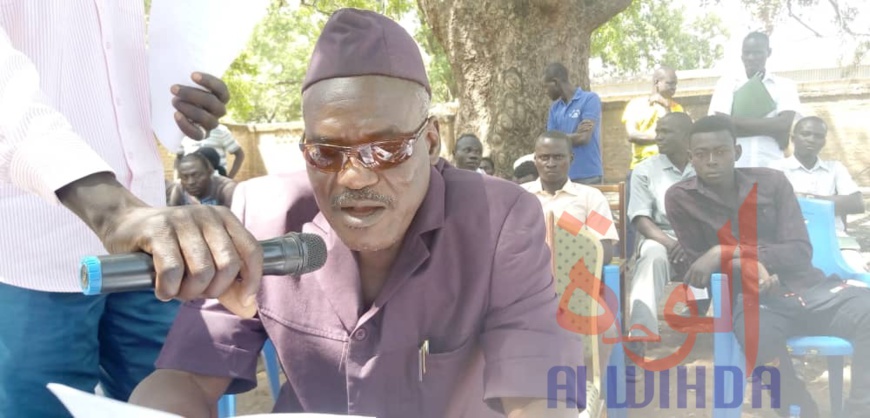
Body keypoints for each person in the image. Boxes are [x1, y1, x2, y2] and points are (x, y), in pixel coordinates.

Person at [130, 9, 582, 418]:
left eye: (386, 149)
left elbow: (540, 395)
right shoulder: (263, 217)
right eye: (326, 152)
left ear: (429, 141)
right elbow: (188, 376)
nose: (354, 178)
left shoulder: (498, 221)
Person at [0, 3, 263, 417]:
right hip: (32, 251)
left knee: (172, 399)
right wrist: (112, 211)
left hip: (150, 245)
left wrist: (177, 100)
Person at [665, 115, 870, 418]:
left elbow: (800, 251)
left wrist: (728, 251)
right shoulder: (682, 198)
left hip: (811, 290)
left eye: (720, 152)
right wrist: (746, 265)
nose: (711, 161)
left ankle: (858, 409)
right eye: (701, 154)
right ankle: (800, 411)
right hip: (752, 302)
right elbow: (701, 269)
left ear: (736, 152)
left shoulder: (772, 182)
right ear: (690, 157)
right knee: (757, 337)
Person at [624, 112, 695, 374]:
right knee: (651, 257)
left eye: (666, 132)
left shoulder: (703, 166)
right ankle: (639, 338)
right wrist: (669, 243)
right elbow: (640, 219)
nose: (658, 137)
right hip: (660, 238)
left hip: (700, 239)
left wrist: (693, 243)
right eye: (658, 131)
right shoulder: (646, 170)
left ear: (687, 137)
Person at [769, 116, 867, 272]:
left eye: (818, 136)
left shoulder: (835, 168)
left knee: (857, 272)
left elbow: (856, 203)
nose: (811, 139)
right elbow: (771, 207)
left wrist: (805, 199)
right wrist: (831, 203)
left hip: (836, 240)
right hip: (791, 240)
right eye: (806, 134)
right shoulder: (776, 169)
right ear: (793, 138)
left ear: (824, 142)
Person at [521, 131, 618, 265]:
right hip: (528, 274)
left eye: (558, 157)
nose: (551, 164)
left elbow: (604, 249)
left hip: (575, 276)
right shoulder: (520, 195)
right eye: (544, 157)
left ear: (571, 159)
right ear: (535, 160)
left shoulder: (591, 197)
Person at [708, 31, 800, 168]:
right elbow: (720, 125)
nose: (751, 58)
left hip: (772, 164)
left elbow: (784, 124)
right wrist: (772, 130)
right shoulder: (727, 83)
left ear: (768, 52)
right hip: (736, 166)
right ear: (741, 55)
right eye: (747, 53)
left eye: (757, 53)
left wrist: (734, 123)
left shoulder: (785, 85)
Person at [543, 62, 603, 184]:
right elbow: (551, 142)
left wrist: (560, 137)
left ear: (555, 82)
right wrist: (576, 134)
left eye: (545, 86)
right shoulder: (555, 108)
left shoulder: (590, 99)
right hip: (563, 177)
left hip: (588, 175)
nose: (545, 91)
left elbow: (584, 138)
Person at [622, 66, 684, 169]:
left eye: (675, 84)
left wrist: (666, 107)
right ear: (656, 82)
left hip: (668, 167)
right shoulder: (636, 104)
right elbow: (632, 135)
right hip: (641, 167)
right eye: (670, 83)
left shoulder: (677, 108)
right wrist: (664, 138)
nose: (674, 87)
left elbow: (677, 139)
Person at [167, 152, 237, 207]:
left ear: (209, 172)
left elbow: (233, 220)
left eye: (196, 175)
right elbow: (171, 216)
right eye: (184, 177)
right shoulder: (179, 188)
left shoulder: (225, 188)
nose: (191, 182)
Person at [176, 124, 246, 178]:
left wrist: (229, 178)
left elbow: (240, 154)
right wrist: (179, 178)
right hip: (191, 184)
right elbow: (179, 157)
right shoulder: (185, 131)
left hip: (216, 183)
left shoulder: (221, 131)